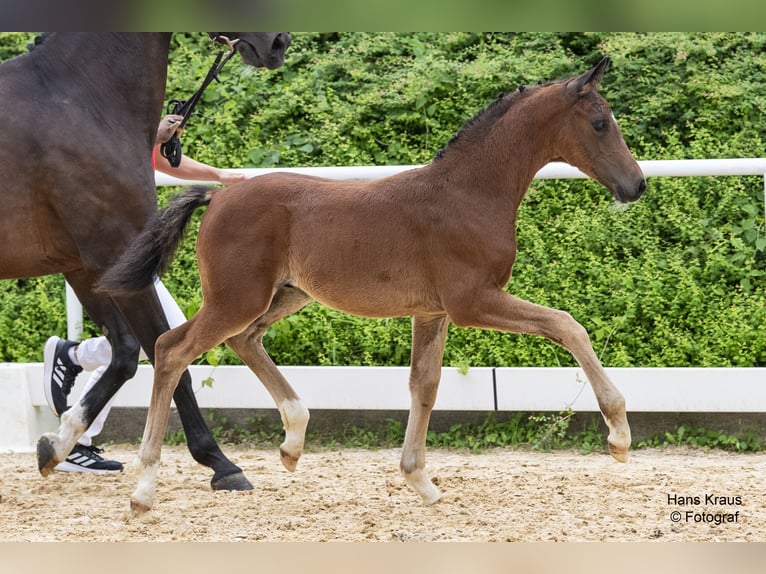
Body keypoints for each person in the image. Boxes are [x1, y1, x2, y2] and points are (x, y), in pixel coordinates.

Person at [42, 114, 247, 473]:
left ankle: (75, 364)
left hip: (122, 238)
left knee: (155, 339)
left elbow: (156, 158)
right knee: (170, 338)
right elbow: (114, 146)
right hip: (110, 238)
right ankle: (75, 370)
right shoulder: (101, 107)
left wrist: (218, 174)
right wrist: (154, 134)